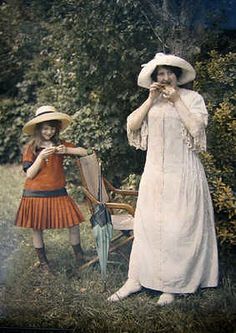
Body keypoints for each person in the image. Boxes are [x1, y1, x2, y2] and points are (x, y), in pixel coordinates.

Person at [108, 53, 218, 305]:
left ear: (177, 76)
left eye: (169, 72)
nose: (165, 77)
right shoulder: (153, 101)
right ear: (154, 78)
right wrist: (150, 99)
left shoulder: (192, 98)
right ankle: (136, 279)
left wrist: (177, 100)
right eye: (160, 73)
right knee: (149, 227)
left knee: (178, 228)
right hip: (156, 173)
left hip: (183, 173)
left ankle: (173, 283)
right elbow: (133, 125)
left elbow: (196, 129)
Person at [15, 105, 88, 272]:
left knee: (73, 223)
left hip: (58, 192)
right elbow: (30, 174)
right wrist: (40, 157)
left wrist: (68, 149)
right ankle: (43, 263)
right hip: (35, 194)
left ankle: (79, 256)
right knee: (37, 228)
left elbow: (84, 152)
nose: (49, 132)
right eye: (45, 128)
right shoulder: (31, 148)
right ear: (39, 129)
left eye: (52, 128)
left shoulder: (60, 144)